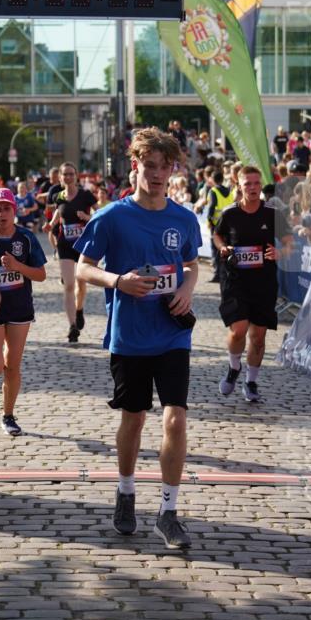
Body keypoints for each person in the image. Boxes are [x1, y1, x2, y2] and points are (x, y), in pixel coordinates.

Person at [75, 128, 201, 551]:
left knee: (175, 418)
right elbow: (82, 268)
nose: (158, 174)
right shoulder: (111, 216)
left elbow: (191, 264)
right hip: (128, 336)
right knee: (134, 418)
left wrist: (186, 290)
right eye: (150, 166)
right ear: (136, 166)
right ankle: (126, 492)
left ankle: (168, 513)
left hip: (171, 335)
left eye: (166, 167)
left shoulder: (183, 218)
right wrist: (118, 281)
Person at [214, 166, 293, 402]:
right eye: (247, 183)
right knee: (238, 330)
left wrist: (281, 252)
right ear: (239, 186)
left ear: (261, 186)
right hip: (235, 279)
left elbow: (289, 243)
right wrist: (222, 248)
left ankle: (251, 381)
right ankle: (233, 367)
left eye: (256, 183)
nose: (252, 188)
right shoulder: (230, 214)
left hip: (264, 282)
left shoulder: (272, 214)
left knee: (258, 337)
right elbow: (217, 235)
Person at [0, 188, 47, 436]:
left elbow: (40, 275)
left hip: (19, 308)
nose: (2, 213)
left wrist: (18, 266)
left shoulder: (26, 238)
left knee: (12, 365)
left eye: (7, 208)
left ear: (14, 211)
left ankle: (8, 415)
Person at [47, 162, 96, 343]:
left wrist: (87, 217)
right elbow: (58, 214)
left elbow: (100, 216)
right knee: (68, 284)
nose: (68, 177)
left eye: (70, 174)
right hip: (65, 244)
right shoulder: (58, 196)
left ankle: (79, 308)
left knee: (80, 284)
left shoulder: (86, 195)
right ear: (60, 178)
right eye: (64, 174)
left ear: (76, 176)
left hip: (83, 244)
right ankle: (72, 325)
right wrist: (51, 225)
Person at [206, 168, 235, 283]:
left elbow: (212, 207)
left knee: (216, 249)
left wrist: (210, 220)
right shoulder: (229, 190)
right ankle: (227, 272)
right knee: (225, 248)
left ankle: (217, 274)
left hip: (216, 224)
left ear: (213, 179)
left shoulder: (213, 191)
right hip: (228, 224)